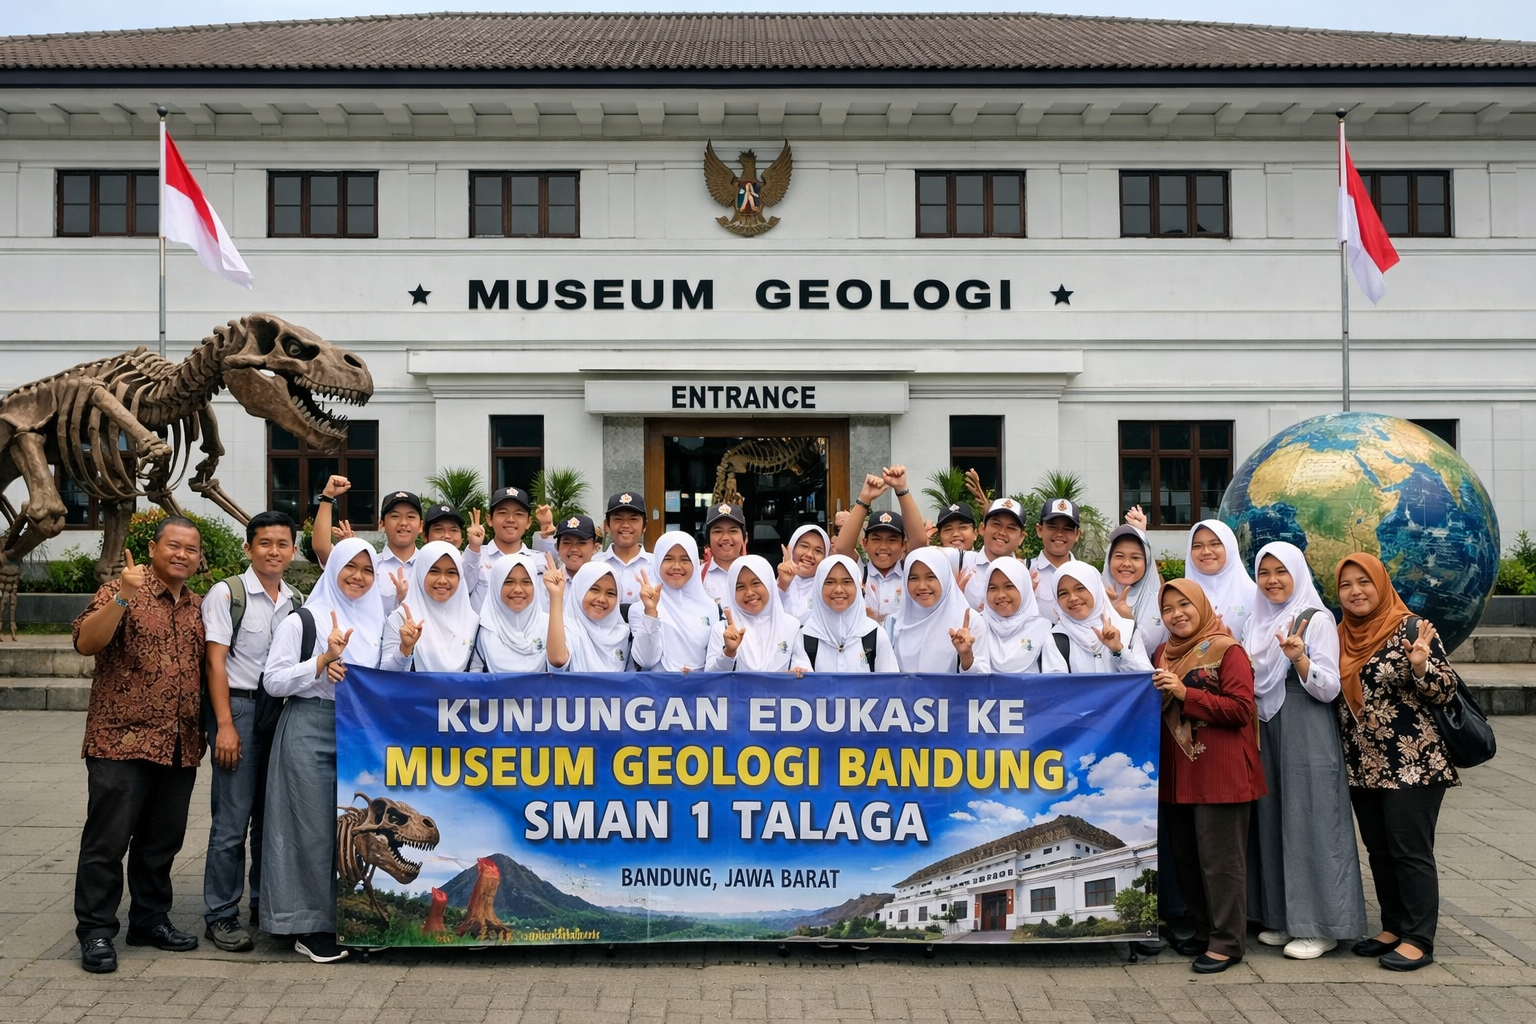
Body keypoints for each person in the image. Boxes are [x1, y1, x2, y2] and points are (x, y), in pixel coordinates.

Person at [72, 517, 207, 974]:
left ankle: (149, 920)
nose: (182, 555)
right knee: (107, 842)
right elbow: (86, 643)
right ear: (152, 547)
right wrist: (123, 597)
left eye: (191, 549)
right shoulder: (119, 589)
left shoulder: (198, 606)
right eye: (174, 545)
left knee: (161, 842)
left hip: (179, 744)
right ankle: (95, 930)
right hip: (120, 741)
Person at [1335, 552, 1459, 972]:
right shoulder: (1339, 634)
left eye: (1364, 582)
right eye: (1346, 585)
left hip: (1413, 763)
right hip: (1362, 765)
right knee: (1379, 850)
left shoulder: (1410, 627)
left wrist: (1422, 667)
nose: (1355, 591)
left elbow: (1446, 690)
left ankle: (1419, 939)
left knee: (1410, 850)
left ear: (1382, 584)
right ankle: (1392, 927)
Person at [261, 536, 384, 964]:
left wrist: (404, 651)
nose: (358, 577)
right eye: (350, 567)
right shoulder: (305, 619)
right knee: (309, 829)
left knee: (346, 833)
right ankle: (308, 928)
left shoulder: (376, 620)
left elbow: (383, 676)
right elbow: (273, 681)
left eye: (367, 570)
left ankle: (343, 920)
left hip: (356, 732)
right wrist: (320, 662)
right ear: (333, 569)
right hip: (309, 726)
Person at [1242, 542, 1366, 960]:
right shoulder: (1255, 621)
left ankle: (1322, 925)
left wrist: (1300, 661)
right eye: (1264, 572)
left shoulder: (1316, 619)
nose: (1272, 580)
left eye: (1281, 571)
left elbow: (1329, 688)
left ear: (1297, 573)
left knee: (1312, 818)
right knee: (1273, 817)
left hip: (1306, 725)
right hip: (1265, 725)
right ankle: (1283, 916)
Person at [1153, 578, 1267, 974]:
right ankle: (1204, 931)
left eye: (1184, 605)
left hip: (1221, 772)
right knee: (1187, 859)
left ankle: (1228, 942)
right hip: (1178, 773)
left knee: (1221, 862)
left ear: (1201, 606)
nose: (1177, 614)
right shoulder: (1162, 653)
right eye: (1168, 609)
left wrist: (1186, 694)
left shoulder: (1226, 649)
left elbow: (1240, 709)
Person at [200, 511, 300, 954]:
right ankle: (221, 914)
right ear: (248, 548)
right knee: (232, 820)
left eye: (282, 544)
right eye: (265, 543)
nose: (273, 551)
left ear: (293, 551)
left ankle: (264, 904)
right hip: (239, 709)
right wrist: (224, 725)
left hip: (280, 711)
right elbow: (214, 662)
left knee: (270, 816)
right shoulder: (228, 594)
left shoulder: (296, 600)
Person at [831, 467, 927, 624]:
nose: (883, 546)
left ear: (904, 545)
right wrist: (865, 498)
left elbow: (920, 542)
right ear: (864, 543)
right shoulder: (859, 571)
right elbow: (842, 547)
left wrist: (902, 489)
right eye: (876, 539)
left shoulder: (910, 571)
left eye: (892, 540)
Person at [311, 477, 420, 615]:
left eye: (411, 517)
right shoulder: (369, 566)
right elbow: (321, 548)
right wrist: (327, 498)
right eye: (395, 516)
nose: (403, 523)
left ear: (421, 525)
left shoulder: (431, 567)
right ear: (382, 524)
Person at [382, 541, 482, 673]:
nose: (442, 580)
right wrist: (404, 649)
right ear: (421, 573)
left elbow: (477, 674)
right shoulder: (401, 619)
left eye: (451, 572)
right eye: (434, 571)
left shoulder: (473, 622)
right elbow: (385, 675)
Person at [632, 532, 725, 671]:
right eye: (668, 559)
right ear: (657, 562)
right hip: (657, 685)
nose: (676, 566)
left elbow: (713, 664)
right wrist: (650, 613)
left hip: (699, 685)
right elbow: (646, 661)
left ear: (694, 563)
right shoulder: (640, 608)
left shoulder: (710, 607)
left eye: (685, 559)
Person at [790, 555, 900, 673]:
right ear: (818, 586)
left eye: (847, 582)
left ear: (858, 586)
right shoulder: (805, 636)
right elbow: (803, 680)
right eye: (829, 582)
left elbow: (890, 681)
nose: (838, 589)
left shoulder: (875, 635)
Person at [1040, 562, 1151, 673]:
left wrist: (1118, 651)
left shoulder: (1127, 630)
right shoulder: (1057, 638)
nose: (1073, 598)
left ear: (1095, 588)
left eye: (1080, 588)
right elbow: (1055, 682)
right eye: (1063, 593)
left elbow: (1147, 678)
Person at [962, 557, 1053, 674]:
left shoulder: (1043, 629)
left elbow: (1054, 678)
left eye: (1009, 586)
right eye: (993, 588)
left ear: (1023, 588)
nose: (1001, 595)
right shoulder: (978, 624)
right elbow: (973, 679)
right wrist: (966, 657)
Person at [709, 555, 800, 672]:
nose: (750, 592)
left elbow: (803, 667)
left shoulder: (791, 626)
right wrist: (728, 653)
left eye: (756, 583)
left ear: (769, 584)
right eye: (740, 587)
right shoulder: (722, 630)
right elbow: (709, 677)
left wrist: (797, 673)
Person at [466, 486, 547, 610]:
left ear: (528, 522)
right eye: (502, 513)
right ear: (489, 519)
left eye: (519, 514)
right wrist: (474, 548)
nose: (510, 520)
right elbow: (461, 589)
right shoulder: (476, 556)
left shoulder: (540, 561)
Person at [893, 547, 973, 672]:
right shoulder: (893, 623)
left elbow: (983, 679)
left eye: (931, 577)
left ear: (944, 577)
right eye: (913, 578)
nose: (922, 586)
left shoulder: (968, 622)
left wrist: (966, 657)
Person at [476, 552, 552, 673]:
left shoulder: (548, 625)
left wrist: (556, 596)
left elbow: (559, 665)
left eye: (526, 582)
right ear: (496, 585)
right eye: (509, 582)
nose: (518, 590)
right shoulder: (483, 629)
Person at [548, 562, 631, 672]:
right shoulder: (566, 629)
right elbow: (558, 660)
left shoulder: (624, 634)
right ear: (579, 589)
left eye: (610, 593)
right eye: (595, 590)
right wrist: (556, 596)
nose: (602, 599)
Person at [1102, 523, 1167, 654]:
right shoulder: (1093, 597)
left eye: (1136, 557)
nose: (1126, 563)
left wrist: (1127, 621)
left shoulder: (1161, 603)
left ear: (1147, 563)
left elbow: (1155, 650)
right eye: (1119, 556)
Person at [1184, 519, 1255, 638]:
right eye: (1197, 546)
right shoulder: (1180, 595)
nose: (1206, 552)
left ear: (1229, 547)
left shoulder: (1255, 595)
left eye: (1214, 544)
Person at [962, 498, 1028, 612]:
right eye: (996, 524)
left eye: (1011, 528)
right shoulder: (962, 562)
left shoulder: (1028, 572)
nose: (1002, 532)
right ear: (982, 528)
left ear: (1021, 537)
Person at [1027, 496, 1083, 623]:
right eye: (1052, 527)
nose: (1059, 534)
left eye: (1067, 529)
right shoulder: (1026, 571)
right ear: (1039, 530)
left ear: (1077, 534)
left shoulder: (1088, 575)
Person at [594, 491, 652, 606]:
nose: (625, 525)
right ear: (606, 525)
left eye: (633, 519)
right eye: (618, 519)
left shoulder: (657, 566)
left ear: (644, 526)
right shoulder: (594, 564)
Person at [778, 524, 830, 624]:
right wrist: (782, 586)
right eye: (804, 546)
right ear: (791, 548)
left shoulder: (827, 589)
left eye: (818, 551)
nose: (809, 555)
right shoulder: (770, 585)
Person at [699, 501, 748, 603]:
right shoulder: (696, 576)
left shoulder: (758, 574)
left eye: (733, 531)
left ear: (744, 538)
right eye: (718, 531)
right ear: (708, 539)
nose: (725, 537)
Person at [554, 514, 602, 582]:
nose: (574, 549)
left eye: (581, 543)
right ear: (557, 547)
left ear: (595, 547)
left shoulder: (604, 581)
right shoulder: (546, 583)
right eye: (567, 543)